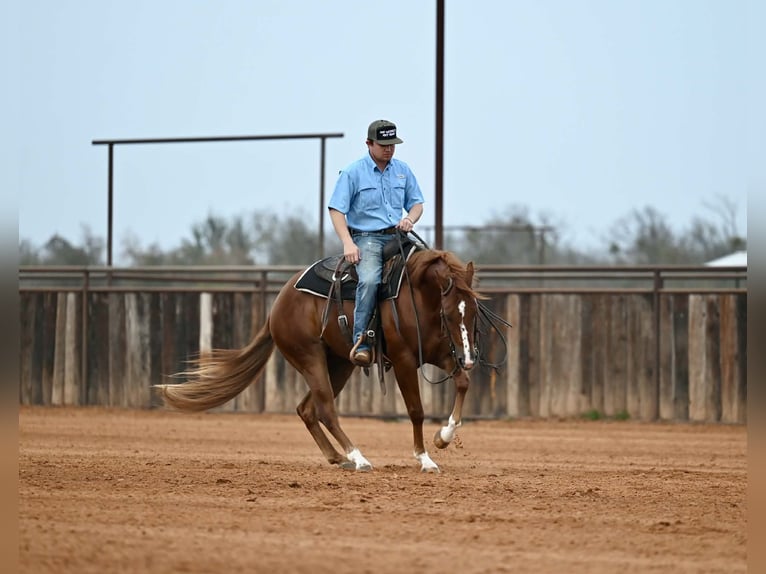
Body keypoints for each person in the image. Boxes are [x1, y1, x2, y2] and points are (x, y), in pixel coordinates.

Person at [328, 119, 425, 366]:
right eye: (383, 144)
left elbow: (417, 203)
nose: (389, 149)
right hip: (367, 238)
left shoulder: (402, 170)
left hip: (398, 236)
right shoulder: (353, 172)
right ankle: (362, 341)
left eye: (392, 144)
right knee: (370, 280)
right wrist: (348, 243)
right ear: (369, 143)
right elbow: (337, 210)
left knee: (432, 267)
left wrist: (409, 219)